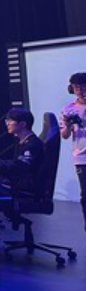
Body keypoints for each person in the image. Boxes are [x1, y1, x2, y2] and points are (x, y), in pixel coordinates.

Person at [60, 72, 86, 230]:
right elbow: (64, 135)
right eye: (77, 87)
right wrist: (69, 124)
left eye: (83, 87)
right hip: (82, 157)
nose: (81, 91)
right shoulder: (68, 109)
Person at [0, 108, 45, 195]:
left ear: (23, 124)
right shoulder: (21, 142)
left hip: (25, 189)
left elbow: (21, 166)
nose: (7, 124)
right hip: (17, 185)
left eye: (10, 121)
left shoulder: (33, 144)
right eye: (6, 121)